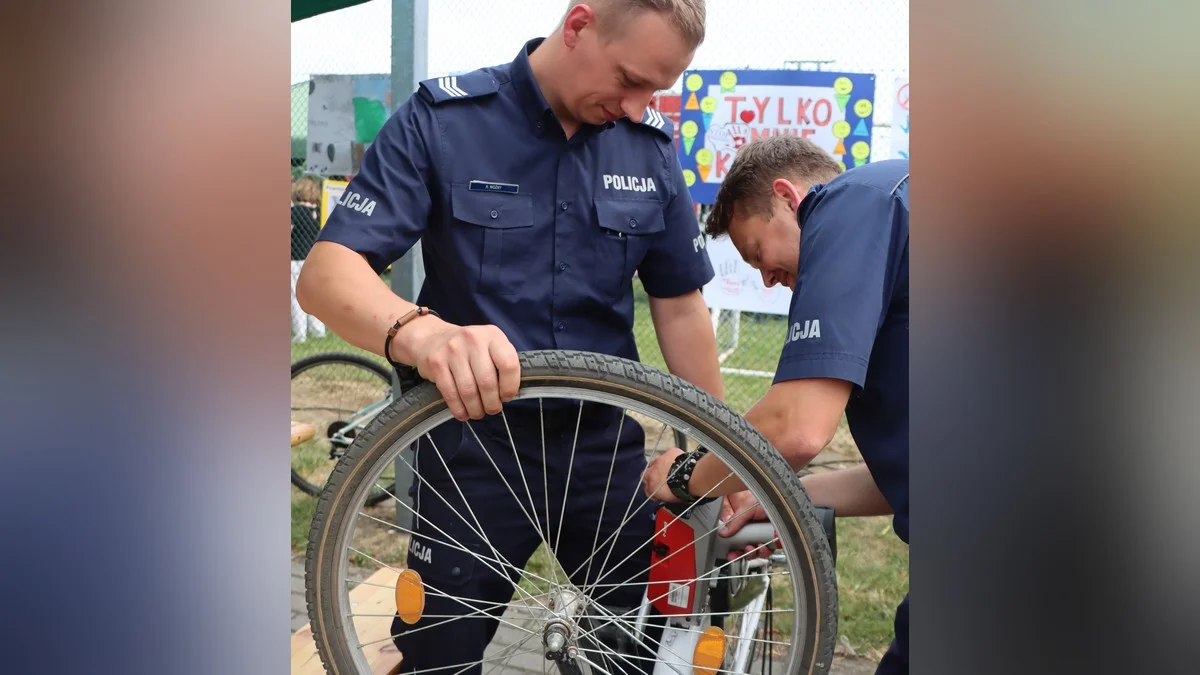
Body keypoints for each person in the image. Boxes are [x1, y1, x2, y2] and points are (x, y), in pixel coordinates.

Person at [295, 1, 721, 672]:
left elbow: (679, 307)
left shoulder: (650, 148)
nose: (639, 106)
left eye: (655, 92)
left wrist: (724, 450)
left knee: (641, 654)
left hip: (603, 457)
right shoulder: (443, 122)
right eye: (629, 79)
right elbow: (326, 275)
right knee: (438, 656)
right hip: (472, 450)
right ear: (579, 24)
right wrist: (420, 332)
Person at [642, 136, 910, 675]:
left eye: (757, 253)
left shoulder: (852, 202)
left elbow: (797, 428)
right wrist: (772, 496)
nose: (766, 279)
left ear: (789, 198)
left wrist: (690, 474)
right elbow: (904, 476)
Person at [290, 175, 327, 343]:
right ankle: (319, 330)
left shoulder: (294, 212)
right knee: (315, 295)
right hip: (313, 259)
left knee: (295, 295)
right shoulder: (319, 213)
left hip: (295, 258)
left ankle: (300, 334)